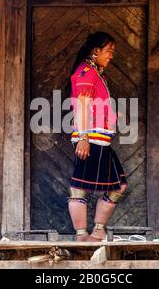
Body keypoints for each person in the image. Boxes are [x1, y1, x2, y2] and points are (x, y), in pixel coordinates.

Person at [68, 31, 128, 242]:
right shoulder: (87, 73)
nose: (111, 55)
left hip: (100, 139)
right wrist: (83, 137)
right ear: (95, 52)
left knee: (119, 185)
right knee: (79, 189)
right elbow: (82, 106)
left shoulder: (93, 72)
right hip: (91, 139)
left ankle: (98, 230)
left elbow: (92, 104)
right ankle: (82, 235)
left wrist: (111, 114)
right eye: (108, 51)